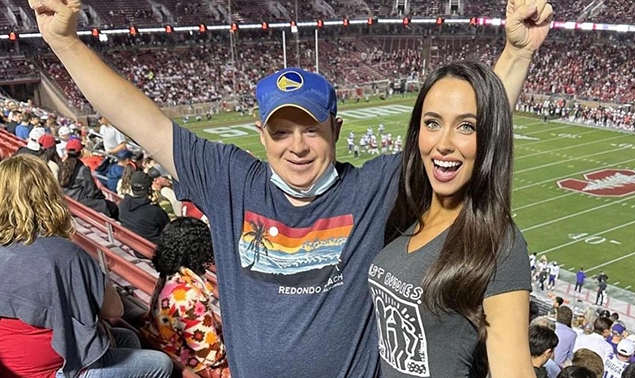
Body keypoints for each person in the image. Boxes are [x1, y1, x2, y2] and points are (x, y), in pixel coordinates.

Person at [30, 0, 552, 375]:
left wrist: (516, 53)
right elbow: (134, 117)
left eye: (311, 129)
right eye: (280, 131)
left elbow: (464, 131)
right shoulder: (232, 180)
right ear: (262, 134)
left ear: (336, 131)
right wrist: (65, 41)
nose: (296, 146)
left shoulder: (371, 188)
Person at [371, 62, 534, 378]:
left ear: (489, 137)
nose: (443, 143)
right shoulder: (407, 211)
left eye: (466, 127)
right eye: (432, 123)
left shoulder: (500, 244)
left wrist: (520, 53)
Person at [0, 154, 173, 378]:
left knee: (127, 338)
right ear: (47, 195)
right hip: (55, 369)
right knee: (160, 364)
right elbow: (114, 310)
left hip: (17, 361)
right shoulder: (64, 254)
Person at [142, 217, 231, 378]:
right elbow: (211, 355)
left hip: (169, 351)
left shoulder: (168, 276)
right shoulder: (189, 295)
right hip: (188, 364)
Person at [59, 139, 119, 219]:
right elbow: (92, 192)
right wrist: (102, 197)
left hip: (68, 203)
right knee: (112, 207)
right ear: (81, 152)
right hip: (81, 204)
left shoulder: (61, 167)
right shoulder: (83, 169)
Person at [118, 171, 170, 245]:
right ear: (149, 189)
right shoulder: (154, 211)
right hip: (153, 250)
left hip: (133, 245)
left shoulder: (123, 204)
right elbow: (168, 229)